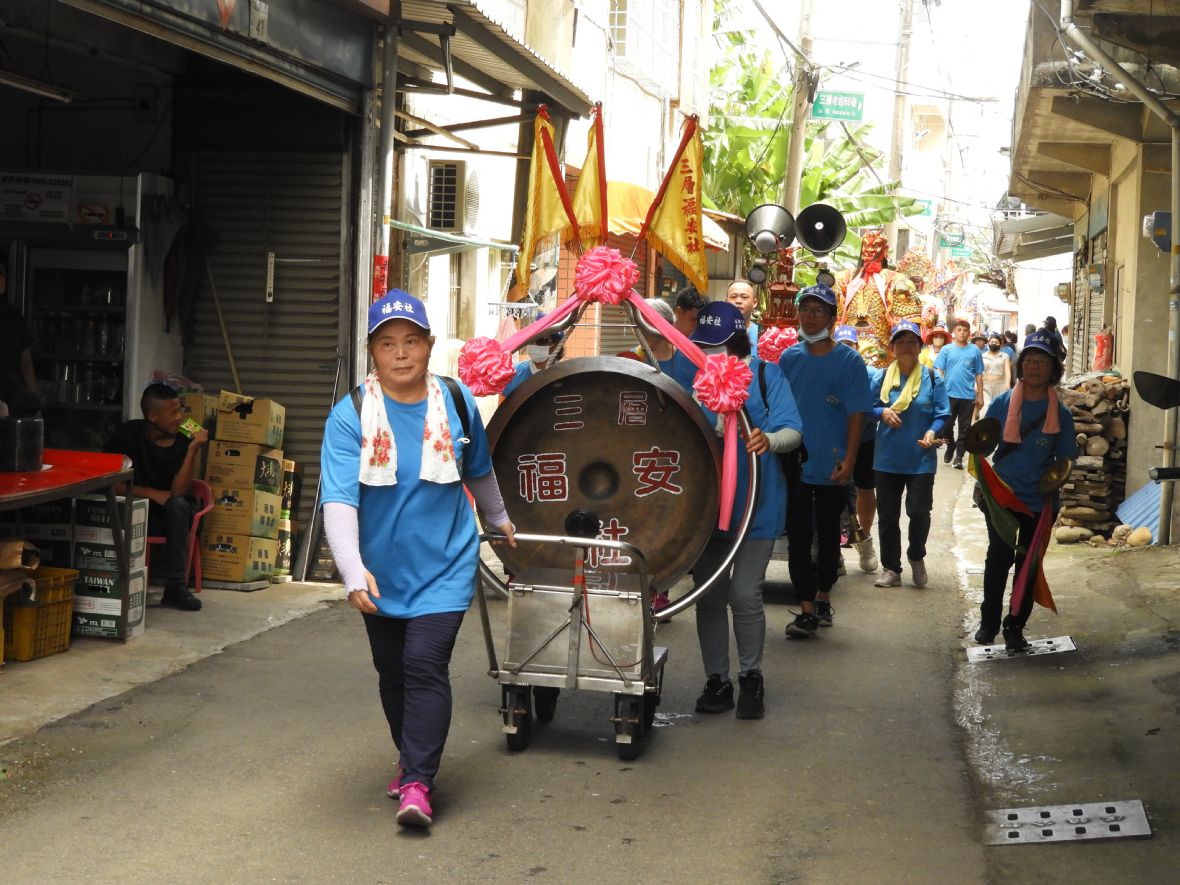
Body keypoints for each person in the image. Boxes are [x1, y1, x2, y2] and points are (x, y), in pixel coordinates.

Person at [320, 290, 515, 828]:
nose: (400, 354)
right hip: (381, 569)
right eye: (388, 344)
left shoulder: (455, 400)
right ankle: (411, 757)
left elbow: (477, 467)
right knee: (391, 672)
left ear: (429, 346)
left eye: (411, 341)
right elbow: (338, 498)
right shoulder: (350, 415)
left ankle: (417, 783)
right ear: (373, 353)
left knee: (423, 664)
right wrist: (351, 569)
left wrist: (497, 520)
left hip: (446, 562)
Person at [690, 301, 802, 718]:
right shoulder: (699, 380)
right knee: (710, 596)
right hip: (708, 507)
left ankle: (751, 678)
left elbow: (793, 429)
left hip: (759, 504)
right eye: (704, 345)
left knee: (744, 594)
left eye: (717, 345)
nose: (711, 353)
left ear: (736, 341)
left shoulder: (767, 374)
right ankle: (716, 680)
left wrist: (769, 440)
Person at [777, 284, 872, 638]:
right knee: (798, 536)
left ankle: (822, 595)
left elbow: (857, 415)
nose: (810, 315)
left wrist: (849, 459)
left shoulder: (849, 361)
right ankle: (804, 608)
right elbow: (779, 409)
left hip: (833, 463)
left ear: (832, 319)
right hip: (795, 463)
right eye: (806, 309)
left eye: (819, 310)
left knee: (830, 536)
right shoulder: (789, 358)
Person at [975, 332, 1076, 651]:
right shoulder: (1004, 402)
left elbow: (1066, 459)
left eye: (1042, 361)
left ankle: (1015, 626)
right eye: (1030, 361)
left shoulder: (1060, 413)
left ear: (1052, 369)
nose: (1034, 367)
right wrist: (982, 484)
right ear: (1021, 366)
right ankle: (988, 621)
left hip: (1040, 499)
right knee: (998, 558)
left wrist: (1053, 489)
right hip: (1003, 494)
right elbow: (982, 445)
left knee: (1028, 564)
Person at [104, 384, 208, 611]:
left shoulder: (183, 442)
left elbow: (179, 493)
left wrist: (193, 450)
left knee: (178, 505)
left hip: (170, 518)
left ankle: (175, 587)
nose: (179, 418)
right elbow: (111, 484)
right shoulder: (126, 435)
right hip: (133, 511)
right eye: (173, 413)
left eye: (180, 411)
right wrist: (151, 493)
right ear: (152, 416)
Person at [869, 321, 950, 588]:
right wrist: (881, 412)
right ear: (892, 348)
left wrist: (931, 431)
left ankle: (916, 555)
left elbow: (942, 413)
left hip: (920, 459)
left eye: (911, 342)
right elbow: (865, 405)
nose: (906, 346)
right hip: (887, 459)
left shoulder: (932, 377)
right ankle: (891, 568)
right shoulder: (881, 377)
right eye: (900, 342)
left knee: (919, 511)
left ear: (920, 347)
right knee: (888, 516)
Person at [835, 325, 879, 573]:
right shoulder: (826, 370)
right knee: (834, 492)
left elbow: (875, 406)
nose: (846, 350)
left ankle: (864, 538)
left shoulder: (872, 373)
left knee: (865, 489)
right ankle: (834, 550)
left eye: (850, 345)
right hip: (834, 441)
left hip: (864, 440)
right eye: (841, 344)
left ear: (857, 348)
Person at [933, 319, 983, 470]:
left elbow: (979, 374)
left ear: (969, 333)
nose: (962, 332)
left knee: (965, 428)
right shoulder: (946, 350)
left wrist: (980, 395)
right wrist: (937, 392)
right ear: (954, 332)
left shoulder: (974, 350)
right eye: (959, 330)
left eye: (965, 330)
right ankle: (950, 444)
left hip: (967, 396)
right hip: (948, 394)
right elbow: (939, 371)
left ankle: (959, 457)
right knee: (947, 425)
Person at [0, 263, 41, 418]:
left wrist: (34, 406)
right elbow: (26, 365)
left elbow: (26, 365)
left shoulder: (12, 317)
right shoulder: (12, 316)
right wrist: (35, 409)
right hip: (11, 399)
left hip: (12, 398)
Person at [502, 315, 564, 397]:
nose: (534, 345)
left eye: (541, 341)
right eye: (531, 341)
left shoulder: (566, 375)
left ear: (556, 345)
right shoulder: (513, 375)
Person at [726, 279, 760, 349]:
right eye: (733, 297)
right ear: (726, 302)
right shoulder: (716, 332)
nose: (738, 301)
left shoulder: (761, 333)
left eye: (744, 297)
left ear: (754, 303)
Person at [981, 333, 1012, 411]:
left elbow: (1007, 371)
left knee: (999, 408)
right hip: (985, 385)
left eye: (996, 342)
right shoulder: (982, 356)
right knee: (985, 409)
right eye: (991, 342)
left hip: (1000, 385)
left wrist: (1007, 383)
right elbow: (979, 372)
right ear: (988, 343)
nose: (993, 344)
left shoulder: (1005, 356)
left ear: (1000, 344)